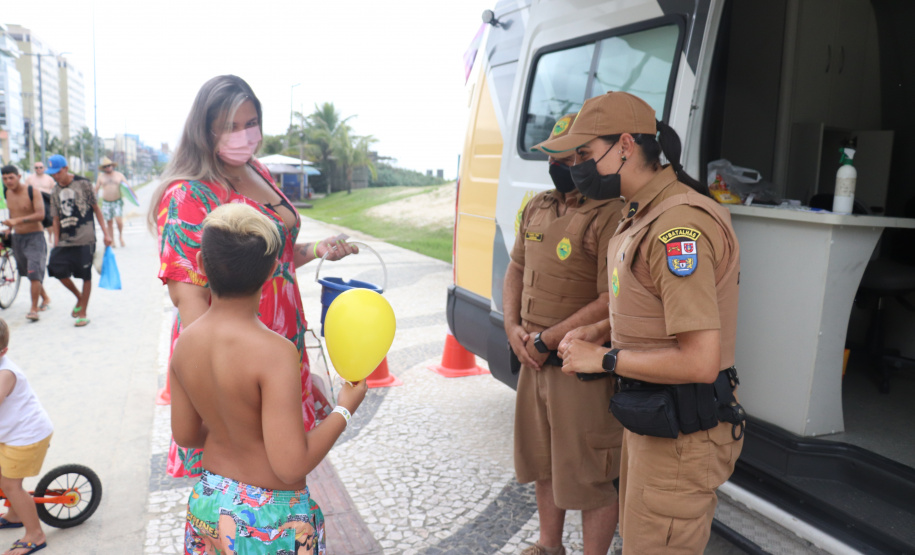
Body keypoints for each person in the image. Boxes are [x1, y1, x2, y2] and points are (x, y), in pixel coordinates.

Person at [545, 91, 744, 554]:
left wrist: (604, 358)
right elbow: (650, 308)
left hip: (680, 432)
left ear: (626, 146)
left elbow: (699, 361)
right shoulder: (640, 213)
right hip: (653, 421)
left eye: (587, 154)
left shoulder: (680, 227)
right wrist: (600, 330)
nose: (578, 167)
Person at [148, 74, 358, 479]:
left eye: (250, 123)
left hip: (280, 344)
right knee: (253, 477)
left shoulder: (257, 170)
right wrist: (226, 390)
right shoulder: (188, 196)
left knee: (279, 466)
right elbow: (189, 300)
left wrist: (316, 250)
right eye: (229, 126)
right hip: (236, 357)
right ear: (203, 130)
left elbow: (270, 257)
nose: (244, 135)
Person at [171, 203, 367, 553]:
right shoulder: (274, 353)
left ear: (201, 264)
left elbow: (186, 435)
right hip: (270, 517)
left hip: (209, 503)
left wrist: (233, 424)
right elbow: (291, 465)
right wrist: (344, 410)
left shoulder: (185, 343)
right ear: (274, 270)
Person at [505, 113, 626, 555]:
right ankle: (548, 546)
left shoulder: (611, 214)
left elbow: (609, 299)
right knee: (544, 460)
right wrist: (512, 328)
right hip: (533, 362)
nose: (558, 164)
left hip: (581, 369)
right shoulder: (538, 205)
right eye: (552, 155)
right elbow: (516, 268)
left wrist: (548, 338)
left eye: (568, 155)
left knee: (591, 471)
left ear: (584, 158)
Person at [0, 318, 54, 555]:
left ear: (3, 351)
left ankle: (35, 534)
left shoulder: (6, 374)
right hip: (8, 432)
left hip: (26, 436)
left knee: (11, 485)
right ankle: (14, 515)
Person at [46, 154, 113, 328]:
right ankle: (79, 297)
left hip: (85, 237)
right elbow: (55, 218)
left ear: (66, 169)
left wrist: (106, 233)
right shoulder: (55, 191)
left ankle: (83, 312)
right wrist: (55, 240)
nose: (55, 176)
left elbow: (96, 209)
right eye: (52, 173)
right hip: (65, 239)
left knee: (85, 275)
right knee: (55, 267)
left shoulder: (84, 184)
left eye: (57, 172)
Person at [0, 166, 51, 321]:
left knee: (34, 271)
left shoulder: (32, 191)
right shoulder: (7, 193)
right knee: (29, 273)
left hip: (35, 237)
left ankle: (33, 309)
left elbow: (40, 214)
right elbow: (13, 213)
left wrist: (17, 221)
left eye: (11, 178)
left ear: (19, 176)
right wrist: (10, 227)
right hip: (18, 238)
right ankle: (46, 298)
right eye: (5, 178)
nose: (8, 181)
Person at [94, 156, 128, 248]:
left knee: (118, 220)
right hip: (106, 202)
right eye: (105, 166)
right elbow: (96, 189)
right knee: (109, 222)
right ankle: (112, 240)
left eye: (109, 165)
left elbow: (127, 187)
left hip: (117, 201)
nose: (108, 167)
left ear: (112, 166)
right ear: (103, 168)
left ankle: (120, 237)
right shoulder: (101, 177)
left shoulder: (119, 175)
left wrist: (133, 197)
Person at [22, 162, 55, 244]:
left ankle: (50, 237)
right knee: (36, 219)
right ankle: (38, 237)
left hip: (46, 199)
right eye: (36, 168)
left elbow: (53, 189)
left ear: (44, 168)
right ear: (34, 169)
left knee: (49, 220)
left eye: (40, 167)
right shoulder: (30, 178)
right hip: (34, 200)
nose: (39, 169)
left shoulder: (49, 178)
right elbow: (26, 190)